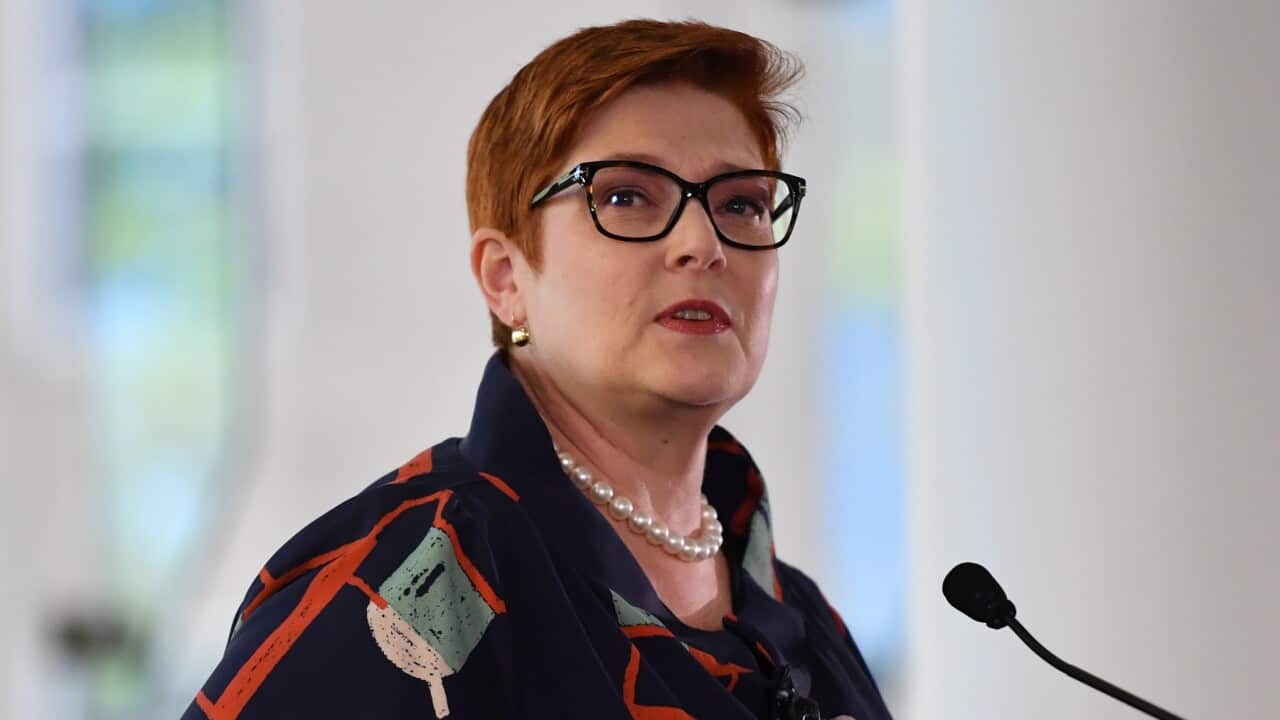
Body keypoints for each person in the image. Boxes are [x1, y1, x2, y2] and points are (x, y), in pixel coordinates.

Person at [185, 19, 892, 720]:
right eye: (626, 196)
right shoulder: (412, 580)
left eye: (742, 203)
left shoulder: (803, 622)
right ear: (506, 278)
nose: (703, 244)